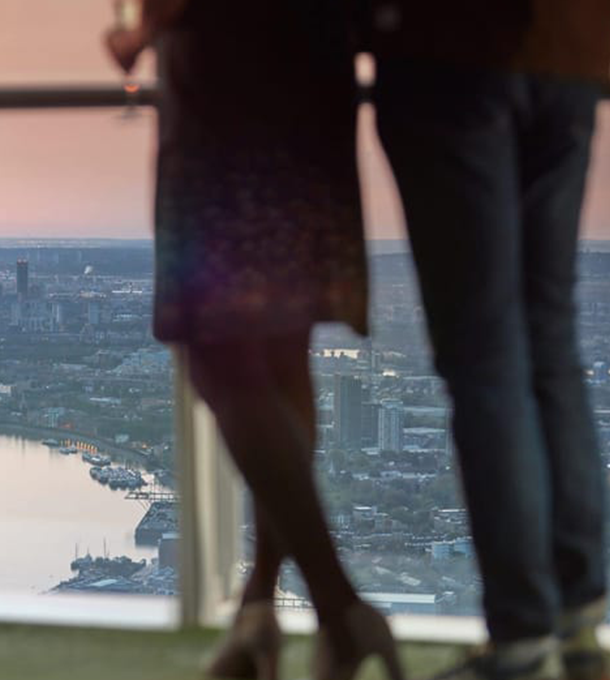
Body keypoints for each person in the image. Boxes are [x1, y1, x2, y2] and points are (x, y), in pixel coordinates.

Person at [107, 3, 402, 680]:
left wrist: (136, 34)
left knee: (217, 359)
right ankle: (257, 612)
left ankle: (340, 610)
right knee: (279, 347)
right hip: (310, 70)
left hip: (221, 85)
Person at [370, 2, 610, 679]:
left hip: (450, 48)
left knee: (485, 358)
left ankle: (525, 635)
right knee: (548, 342)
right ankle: (577, 617)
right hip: (568, 52)